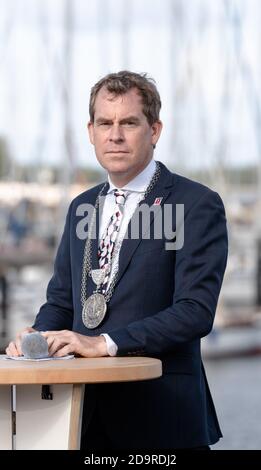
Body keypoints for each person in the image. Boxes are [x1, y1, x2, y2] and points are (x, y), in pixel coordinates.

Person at [6, 71, 228, 450]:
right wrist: (37, 339)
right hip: (81, 418)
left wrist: (105, 343)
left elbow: (194, 311)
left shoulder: (195, 205)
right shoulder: (82, 207)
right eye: (105, 123)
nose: (116, 135)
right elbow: (61, 301)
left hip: (160, 418)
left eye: (129, 122)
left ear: (154, 130)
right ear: (91, 131)